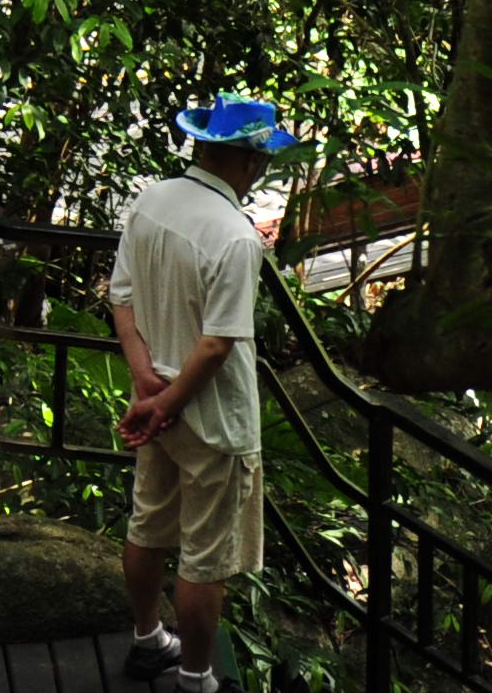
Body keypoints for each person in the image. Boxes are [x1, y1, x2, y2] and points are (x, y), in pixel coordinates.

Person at [112, 97, 295, 693]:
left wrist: (147, 385)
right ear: (246, 161)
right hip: (211, 416)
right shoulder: (235, 236)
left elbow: (122, 297)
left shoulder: (152, 200)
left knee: (149, 523)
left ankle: (146, 640)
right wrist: (165, 404)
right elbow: (217, 345)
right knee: (207, 558)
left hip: (158, 400)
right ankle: (196, 679)